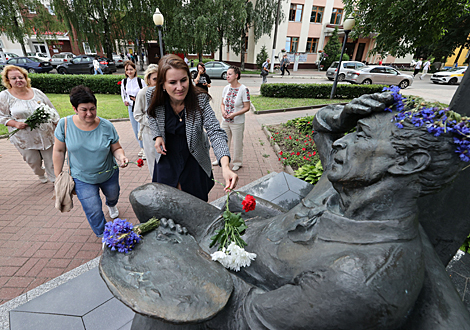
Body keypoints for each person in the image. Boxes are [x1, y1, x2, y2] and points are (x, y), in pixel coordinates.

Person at [130, 92, 466, 329]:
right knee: (146, 197)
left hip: (235, 289)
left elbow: (239, 318)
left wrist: (183, 263)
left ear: (408, 162)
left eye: (360, 135)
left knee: (152, 312)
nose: (341, 143)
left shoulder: (360, 276)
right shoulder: (352, 181)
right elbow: (326, 133)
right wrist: (337, 117)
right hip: (241, 232)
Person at [147, 54, 238, 201]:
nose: (180, 87)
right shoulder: (152, 96)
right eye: (172, 82)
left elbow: (215, 131)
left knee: (195, 203)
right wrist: (157, 136)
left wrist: (225, 166)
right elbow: (151, 116)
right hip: (167, 156)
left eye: (184, 80)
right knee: (166, 201)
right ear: (163, 84)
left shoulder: (199, 99)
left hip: (193, 157)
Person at [53, 85, 129, 237]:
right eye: (84, 110)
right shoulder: (65, 125)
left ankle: (111, 205)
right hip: (82, 177)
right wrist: (58, 177)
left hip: (108, 174)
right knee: (93, 208)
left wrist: (121, 156)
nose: (89, 114)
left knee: (113, 195)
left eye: (92, 109)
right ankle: (104, 235)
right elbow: (59, 151)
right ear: (75, 108)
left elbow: (116, 148)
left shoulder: (106, 126)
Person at [0, 65, 60, 183]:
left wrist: (58, 125)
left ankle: (55, 182)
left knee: (51, 160)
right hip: (24, 137)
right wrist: (15, 124)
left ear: (25, 78)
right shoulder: (4, 96)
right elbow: (1, 116)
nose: (18, 80)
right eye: (14, 78)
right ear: (8, 80)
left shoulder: (37, 92)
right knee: (33, 161)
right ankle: (39, 172)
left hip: (46, 134)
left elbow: (51, 109)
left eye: (20, 77)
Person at [213, 66, 250, 171]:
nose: (227, 76)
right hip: (225, 121)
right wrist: (223, 111)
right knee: (222, 141)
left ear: (236, 76)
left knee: (237, 142)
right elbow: (222, 104)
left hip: (237, 122)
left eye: (230, 74)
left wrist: (234, 114)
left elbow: (247, 107)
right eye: (227, 74)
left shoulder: (244, 89)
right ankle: (221, 159)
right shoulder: (226, 88)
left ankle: (237, 162)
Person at [134, 64, 159, 176]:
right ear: (148, 79)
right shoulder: (142, 93)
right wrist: (152, 122)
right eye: (154, 79)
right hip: (149, 133)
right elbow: (137, 115)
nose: (158, 82)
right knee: (153, 164)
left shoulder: (164, 92)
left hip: (164, 132)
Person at [121, 60, 147, 159]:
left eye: (131, 69)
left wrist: (138, 99)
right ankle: (141, 147)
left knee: (141, 127)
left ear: (135, 69)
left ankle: (145, 147)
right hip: (131, 107)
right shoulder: (124, 82)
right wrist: (125, 101)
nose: (129, 72)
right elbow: (124, 93)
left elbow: (145, 93)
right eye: (127, 70)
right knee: (135, 128)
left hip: (140, 107)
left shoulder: (140, 81)